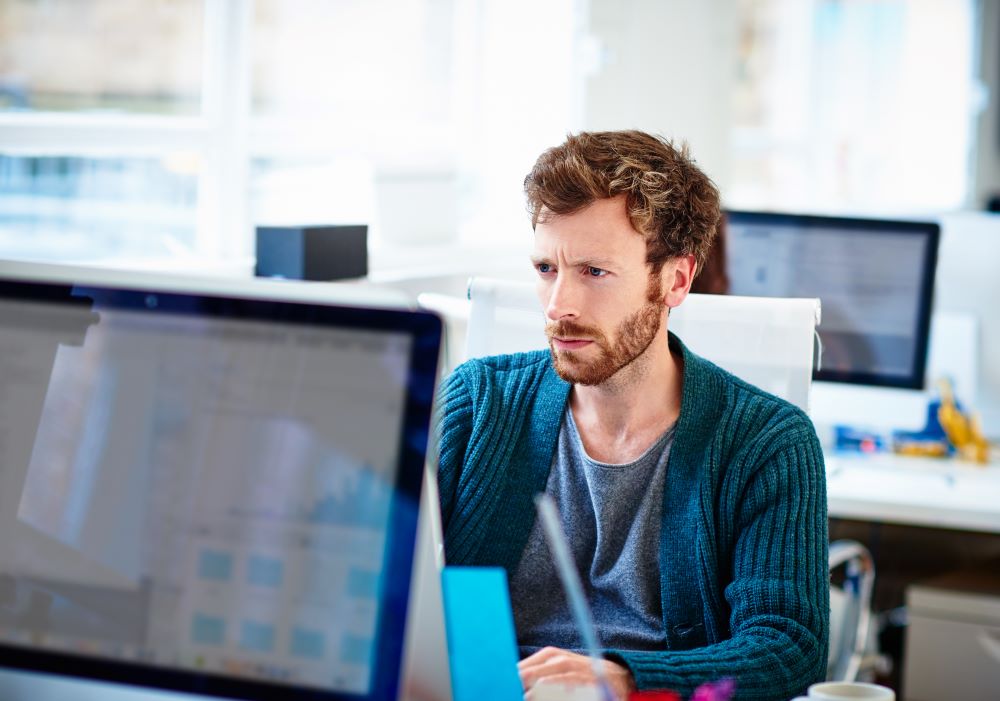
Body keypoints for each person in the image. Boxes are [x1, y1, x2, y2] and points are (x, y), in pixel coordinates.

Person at [436, 131, 828, 700]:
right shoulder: (479, 403)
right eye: (546, 268)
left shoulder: (768, 441)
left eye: (594, 272)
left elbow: (788, 647)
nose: (558, 305)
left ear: (676, 279)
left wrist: (620, 679)